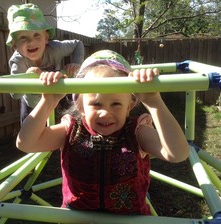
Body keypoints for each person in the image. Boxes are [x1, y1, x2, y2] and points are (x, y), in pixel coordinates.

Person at [16, 50, 189, 215]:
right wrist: (48, 100)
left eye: (116, 104)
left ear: (129, 105)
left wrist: (154, 102)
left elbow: (177, 154)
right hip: (77, 220)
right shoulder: (71, 130)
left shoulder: (136, 131)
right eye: (96, 104)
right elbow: (26, 143)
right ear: (80, 106)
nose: (105, 113)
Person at [6, 3, 85, 123]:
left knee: (63, 130)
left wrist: (76, 64)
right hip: (33, 105)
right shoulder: (18, 60)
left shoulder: (55, 49)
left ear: (46, 37)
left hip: (56, 97)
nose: (31, 41)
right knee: (30, 138)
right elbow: (15, 93)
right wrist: (27, 77)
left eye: (36, 35)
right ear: (14, 45)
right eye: (23, 37)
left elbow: (77, 44)